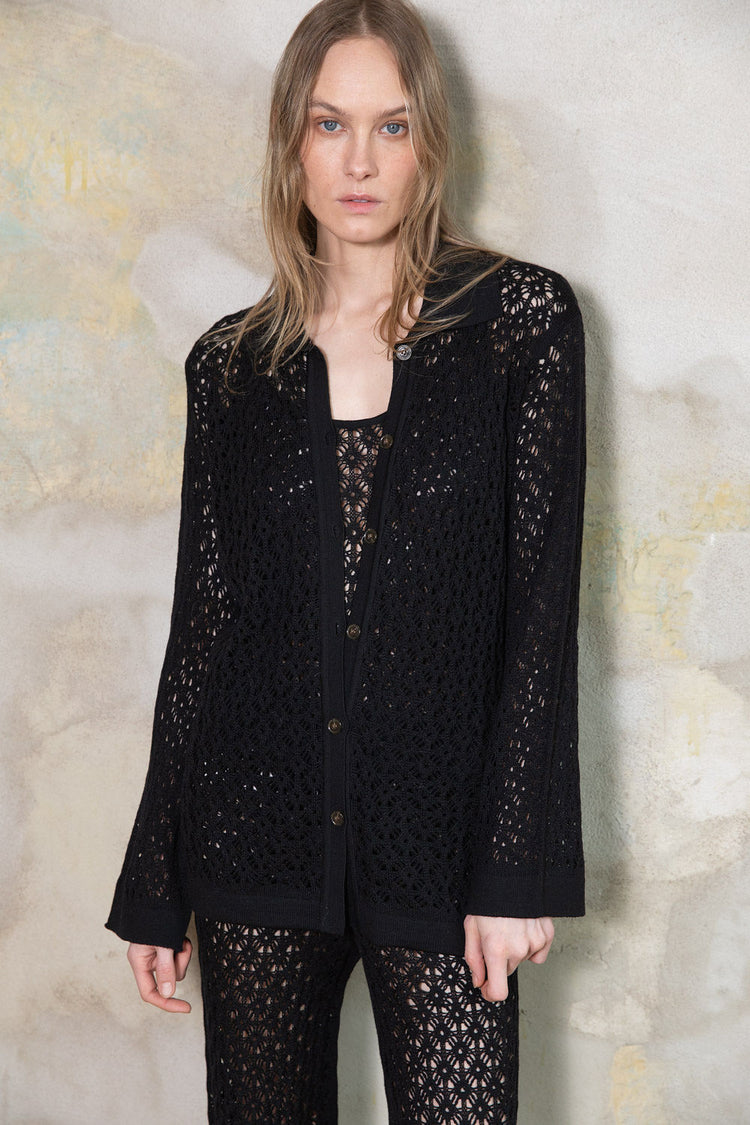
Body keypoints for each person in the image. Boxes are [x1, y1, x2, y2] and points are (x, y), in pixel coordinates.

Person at [105, 1, 587, 1121]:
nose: (359, 162)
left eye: (392, 126)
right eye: (329, 124)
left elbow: (541, 608)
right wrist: (154, 880)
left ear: (430, 143)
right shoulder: (231, 365)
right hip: (253, 839)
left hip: (445, 844)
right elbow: (205, 627)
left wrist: (513, 865)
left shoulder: (520, 324)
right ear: (292, 141)